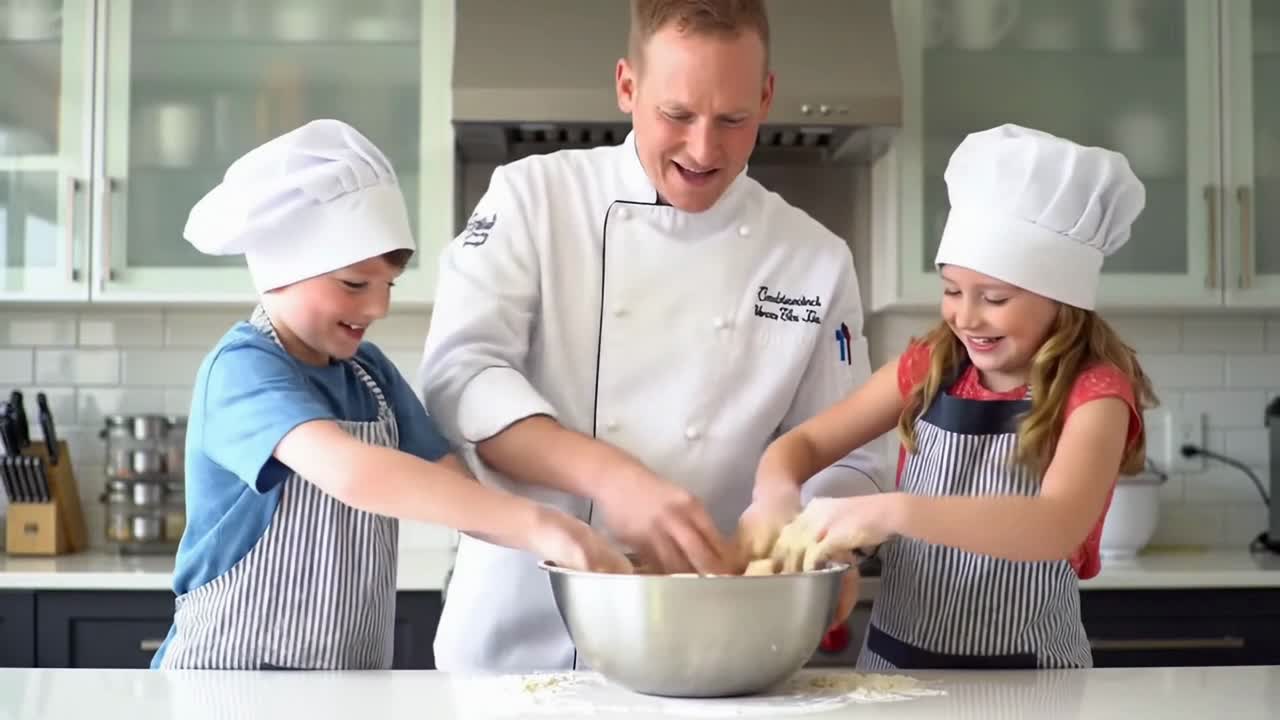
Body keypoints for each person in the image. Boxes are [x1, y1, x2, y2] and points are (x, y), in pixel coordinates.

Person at [419, 0, 884, 672]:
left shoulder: (814, 258)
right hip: (520, 639)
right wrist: (615, 479)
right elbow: (460, 381)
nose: (703, 149)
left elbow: (850, 453)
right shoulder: (532, 199)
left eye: (733, 119)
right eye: (677, 115)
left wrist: (826, 544)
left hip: (711, 647)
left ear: (767, 95)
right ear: (627, 87)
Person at [149, 119, 630, 671]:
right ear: (282, 271)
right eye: (355, 284)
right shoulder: (242, 370)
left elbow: (455, 489)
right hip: (228, 688)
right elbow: (354, 473)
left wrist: (569, 542)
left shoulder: (368, 373)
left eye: (388, 286)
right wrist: (541, 526)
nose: (378, 308)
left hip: (347, 690)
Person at [761, 124, 1158, 670]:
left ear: (1062, 298)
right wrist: (776, 499)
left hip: (1029, 684)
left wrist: (892, 511)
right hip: (894, 673)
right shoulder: (932, 365)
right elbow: (803, 444)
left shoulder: (1095, 394)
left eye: (994, 298)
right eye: (951, 290)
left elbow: (1056, 525)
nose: (966, 317)